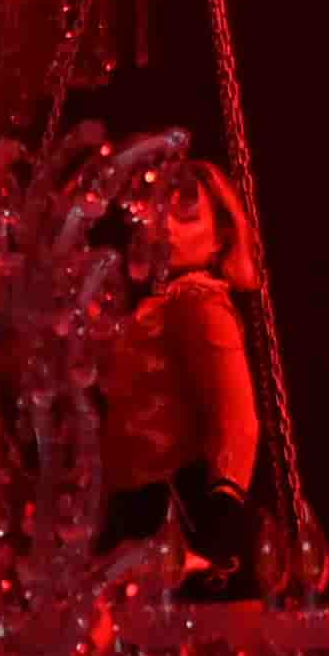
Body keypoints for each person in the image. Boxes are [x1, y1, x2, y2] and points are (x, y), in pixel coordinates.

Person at [98, 158, 268, 597]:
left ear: (222, 234)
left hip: (181, 506)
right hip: (136, 507)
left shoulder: (199, 301)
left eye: (186, 216)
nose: (167, 228)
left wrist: (223, 509)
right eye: (160, 215)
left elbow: (237, 418)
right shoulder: (157, 307)